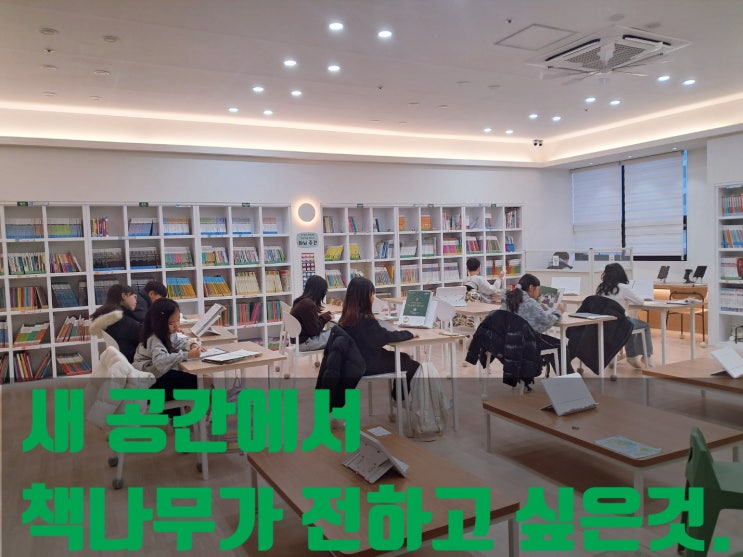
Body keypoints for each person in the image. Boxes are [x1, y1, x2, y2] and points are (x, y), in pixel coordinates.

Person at [339, 277, 420, 399]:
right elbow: (385, 337)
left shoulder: (345, 318)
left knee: (404, 358)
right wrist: (409, 334)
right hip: (365, 364)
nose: (373, 298)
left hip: (352, 361)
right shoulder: (366, 321)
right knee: (412, 364)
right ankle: (400, 399)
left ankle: (399, 398)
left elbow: (377, 337)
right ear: (365, 297)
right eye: (372, 294)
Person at [133, 298, 202, 409]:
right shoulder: (154, 338)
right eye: (171, 323)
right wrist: (187, 355)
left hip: (156, 377)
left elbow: (178, 342)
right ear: (158, 323)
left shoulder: (166, 332)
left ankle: (191, 410)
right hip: (150, 384)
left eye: (178, 320)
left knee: (201, 380)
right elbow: (160, 362)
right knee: (201, 382)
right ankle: (198, 411)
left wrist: (191, 344)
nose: (177, 326)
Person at [503, 273, 563, 376]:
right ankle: (568, 378)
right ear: (531, 287)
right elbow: (546, 321)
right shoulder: (530, 302)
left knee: (548, 341)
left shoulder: (507, 299)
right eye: (538, 289)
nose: (538, 293)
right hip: (527, 343)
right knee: (560, 346)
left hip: (509, 342)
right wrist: (558, 312)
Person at [596, 263, 654, 368]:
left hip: (605, 323)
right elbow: (640, 302)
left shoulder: (601, 288)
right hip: (621, 323)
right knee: (644, 326)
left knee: (630, 323)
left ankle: (619, 357)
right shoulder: (623, 288)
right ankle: (645, 356)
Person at [89, 284, 142, 362]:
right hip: (132, 359)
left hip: (120, 358)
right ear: (124, 295)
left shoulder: (107, 316)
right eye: (134, 297)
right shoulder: (117, 319)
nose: (136, 301)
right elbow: (143, 332)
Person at [290, 275, 333, 351]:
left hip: (299, 341)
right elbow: (315, 331)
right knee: (339, 333)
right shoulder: (308, 305)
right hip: (306, 342)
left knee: (336, 332)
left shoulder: (300, 301)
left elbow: (311, 324)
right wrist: (326, 317)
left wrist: (324, 316)